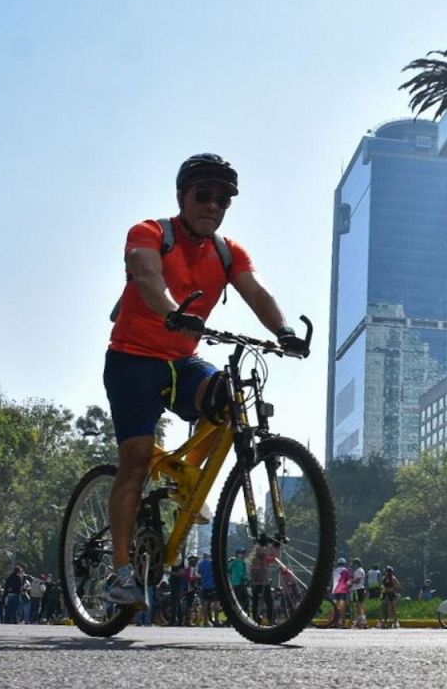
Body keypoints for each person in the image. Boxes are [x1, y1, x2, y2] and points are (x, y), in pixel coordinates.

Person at [104, 153, 306, 606]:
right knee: (135, 459)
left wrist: (285, 331)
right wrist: (173, 312)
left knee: (229, 396)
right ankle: (121, 572)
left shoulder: (227, 251)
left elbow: (255, 291)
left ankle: (183, 486)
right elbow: (147, 274)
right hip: (132, 359)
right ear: (182, 197)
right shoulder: (151, 233)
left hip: (182, 361)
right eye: (203, 195)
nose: (213, 205)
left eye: (222, 199)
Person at [330, 557, 352, 628]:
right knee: (342, 607)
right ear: (344, 564)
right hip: (343, 591)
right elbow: (348, 582)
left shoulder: (334, 571)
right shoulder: (346, 571)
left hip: (334, 591)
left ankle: (333, 622)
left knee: (335, 607)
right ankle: (341, 622)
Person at [197, 553, 218, 627]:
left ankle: (206, 621)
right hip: (214, 585)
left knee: (205, 603)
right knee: (216, 603)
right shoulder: (213, 563)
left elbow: (199, 574)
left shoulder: (200, 564)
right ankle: (216, 620)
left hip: (205, 586)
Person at [350, 558, 367, 629]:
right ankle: (359, 621)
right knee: (357, 606)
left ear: (357, 564)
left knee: (359, 605)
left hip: (358, 589)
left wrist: (350, 581)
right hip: (356, 589)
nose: (353, 565)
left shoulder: (359, 571)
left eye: (354, 564)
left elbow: (357, 581)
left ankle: (362, 621)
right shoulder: (357, 571)